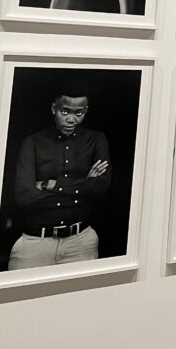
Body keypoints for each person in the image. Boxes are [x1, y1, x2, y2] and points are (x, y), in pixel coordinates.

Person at [9, 90, 110, 270]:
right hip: (35, 243)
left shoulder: (96, 140)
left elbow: (101, 187)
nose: (71, 119)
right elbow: (24, 197)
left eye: (78, 113)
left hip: (82, 242)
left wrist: (51, 185)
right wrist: (84, 185)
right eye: (65, 112)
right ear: (54, 108)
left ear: (86, 111)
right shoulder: (32, 142)